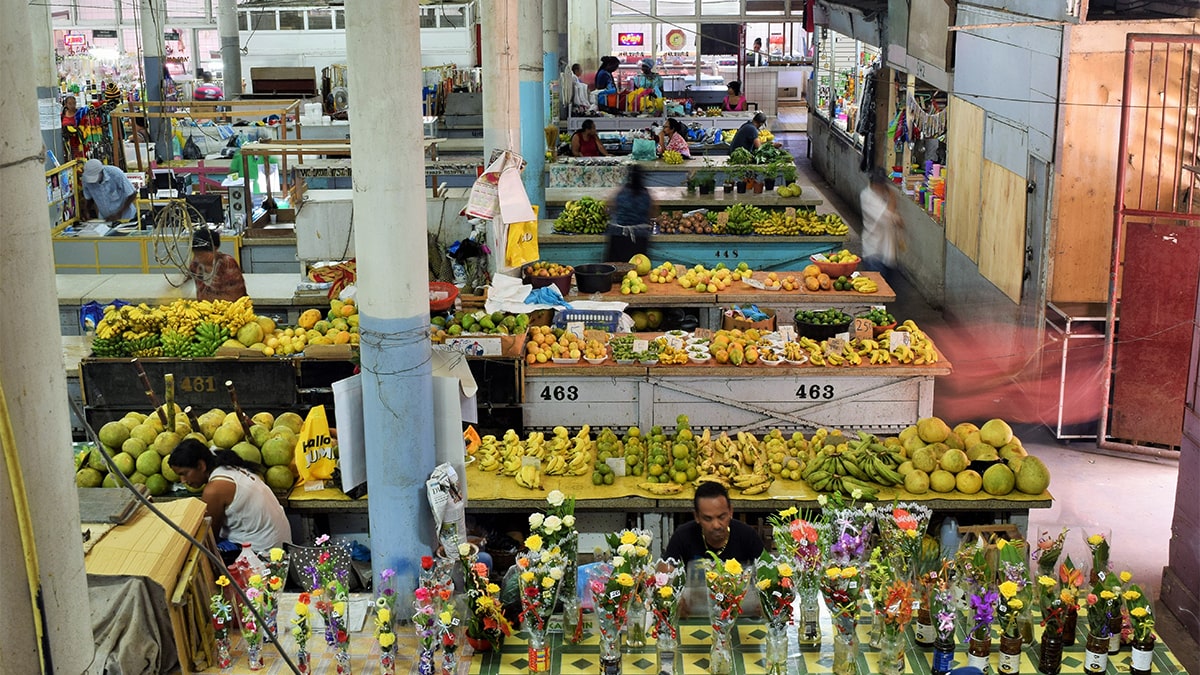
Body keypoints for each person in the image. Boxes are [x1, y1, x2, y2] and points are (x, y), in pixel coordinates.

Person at [168, 439, 291, 563]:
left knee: (203, 554)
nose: (183, 480)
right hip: (279, 542)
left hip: (264, 554)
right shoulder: (227, 467)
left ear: (201, 466)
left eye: (184, 473)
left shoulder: (214, 490)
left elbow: (209, 537)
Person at [663, 481, 765, 565]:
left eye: (721, 517)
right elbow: (664, 575)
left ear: (730, 512)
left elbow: (767, 573)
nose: (716, 525)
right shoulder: (682, 536)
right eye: (708, 519)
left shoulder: (747, 535)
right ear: (697, 517)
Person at [859, 167, 905, 284]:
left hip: (889, 252)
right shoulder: (867, 197)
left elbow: (897, 220)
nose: (878, 187)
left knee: (888, 290)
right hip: (874, 253)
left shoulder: (886, 193)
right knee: (877, 290)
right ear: (871, 183)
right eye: (877, 184)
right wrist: (893, 197)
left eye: (881, 184)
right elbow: (889, 216)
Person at [604, 164, 657, 263]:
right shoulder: (646, 195)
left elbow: (609, 205)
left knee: (616, 270)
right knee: (638, 271)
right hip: (639, 240)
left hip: (618, 239)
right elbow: (653, 213)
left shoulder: (621, 192)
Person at [188, 227, 248, 302]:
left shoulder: (227, 264)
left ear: (214, 249)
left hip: (232, 309)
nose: (198, 258)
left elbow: (235, 296)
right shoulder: (195, 265)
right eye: (196, 254)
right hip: (205, 309)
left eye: (201, 255)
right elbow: (186, 278)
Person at [61, 95, 86, 160]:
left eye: (74, 103)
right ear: (66, 104)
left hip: (78, 142)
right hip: (67, 141)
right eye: (70, 103)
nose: (72, 105)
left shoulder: (79, 114)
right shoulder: (62, 115)